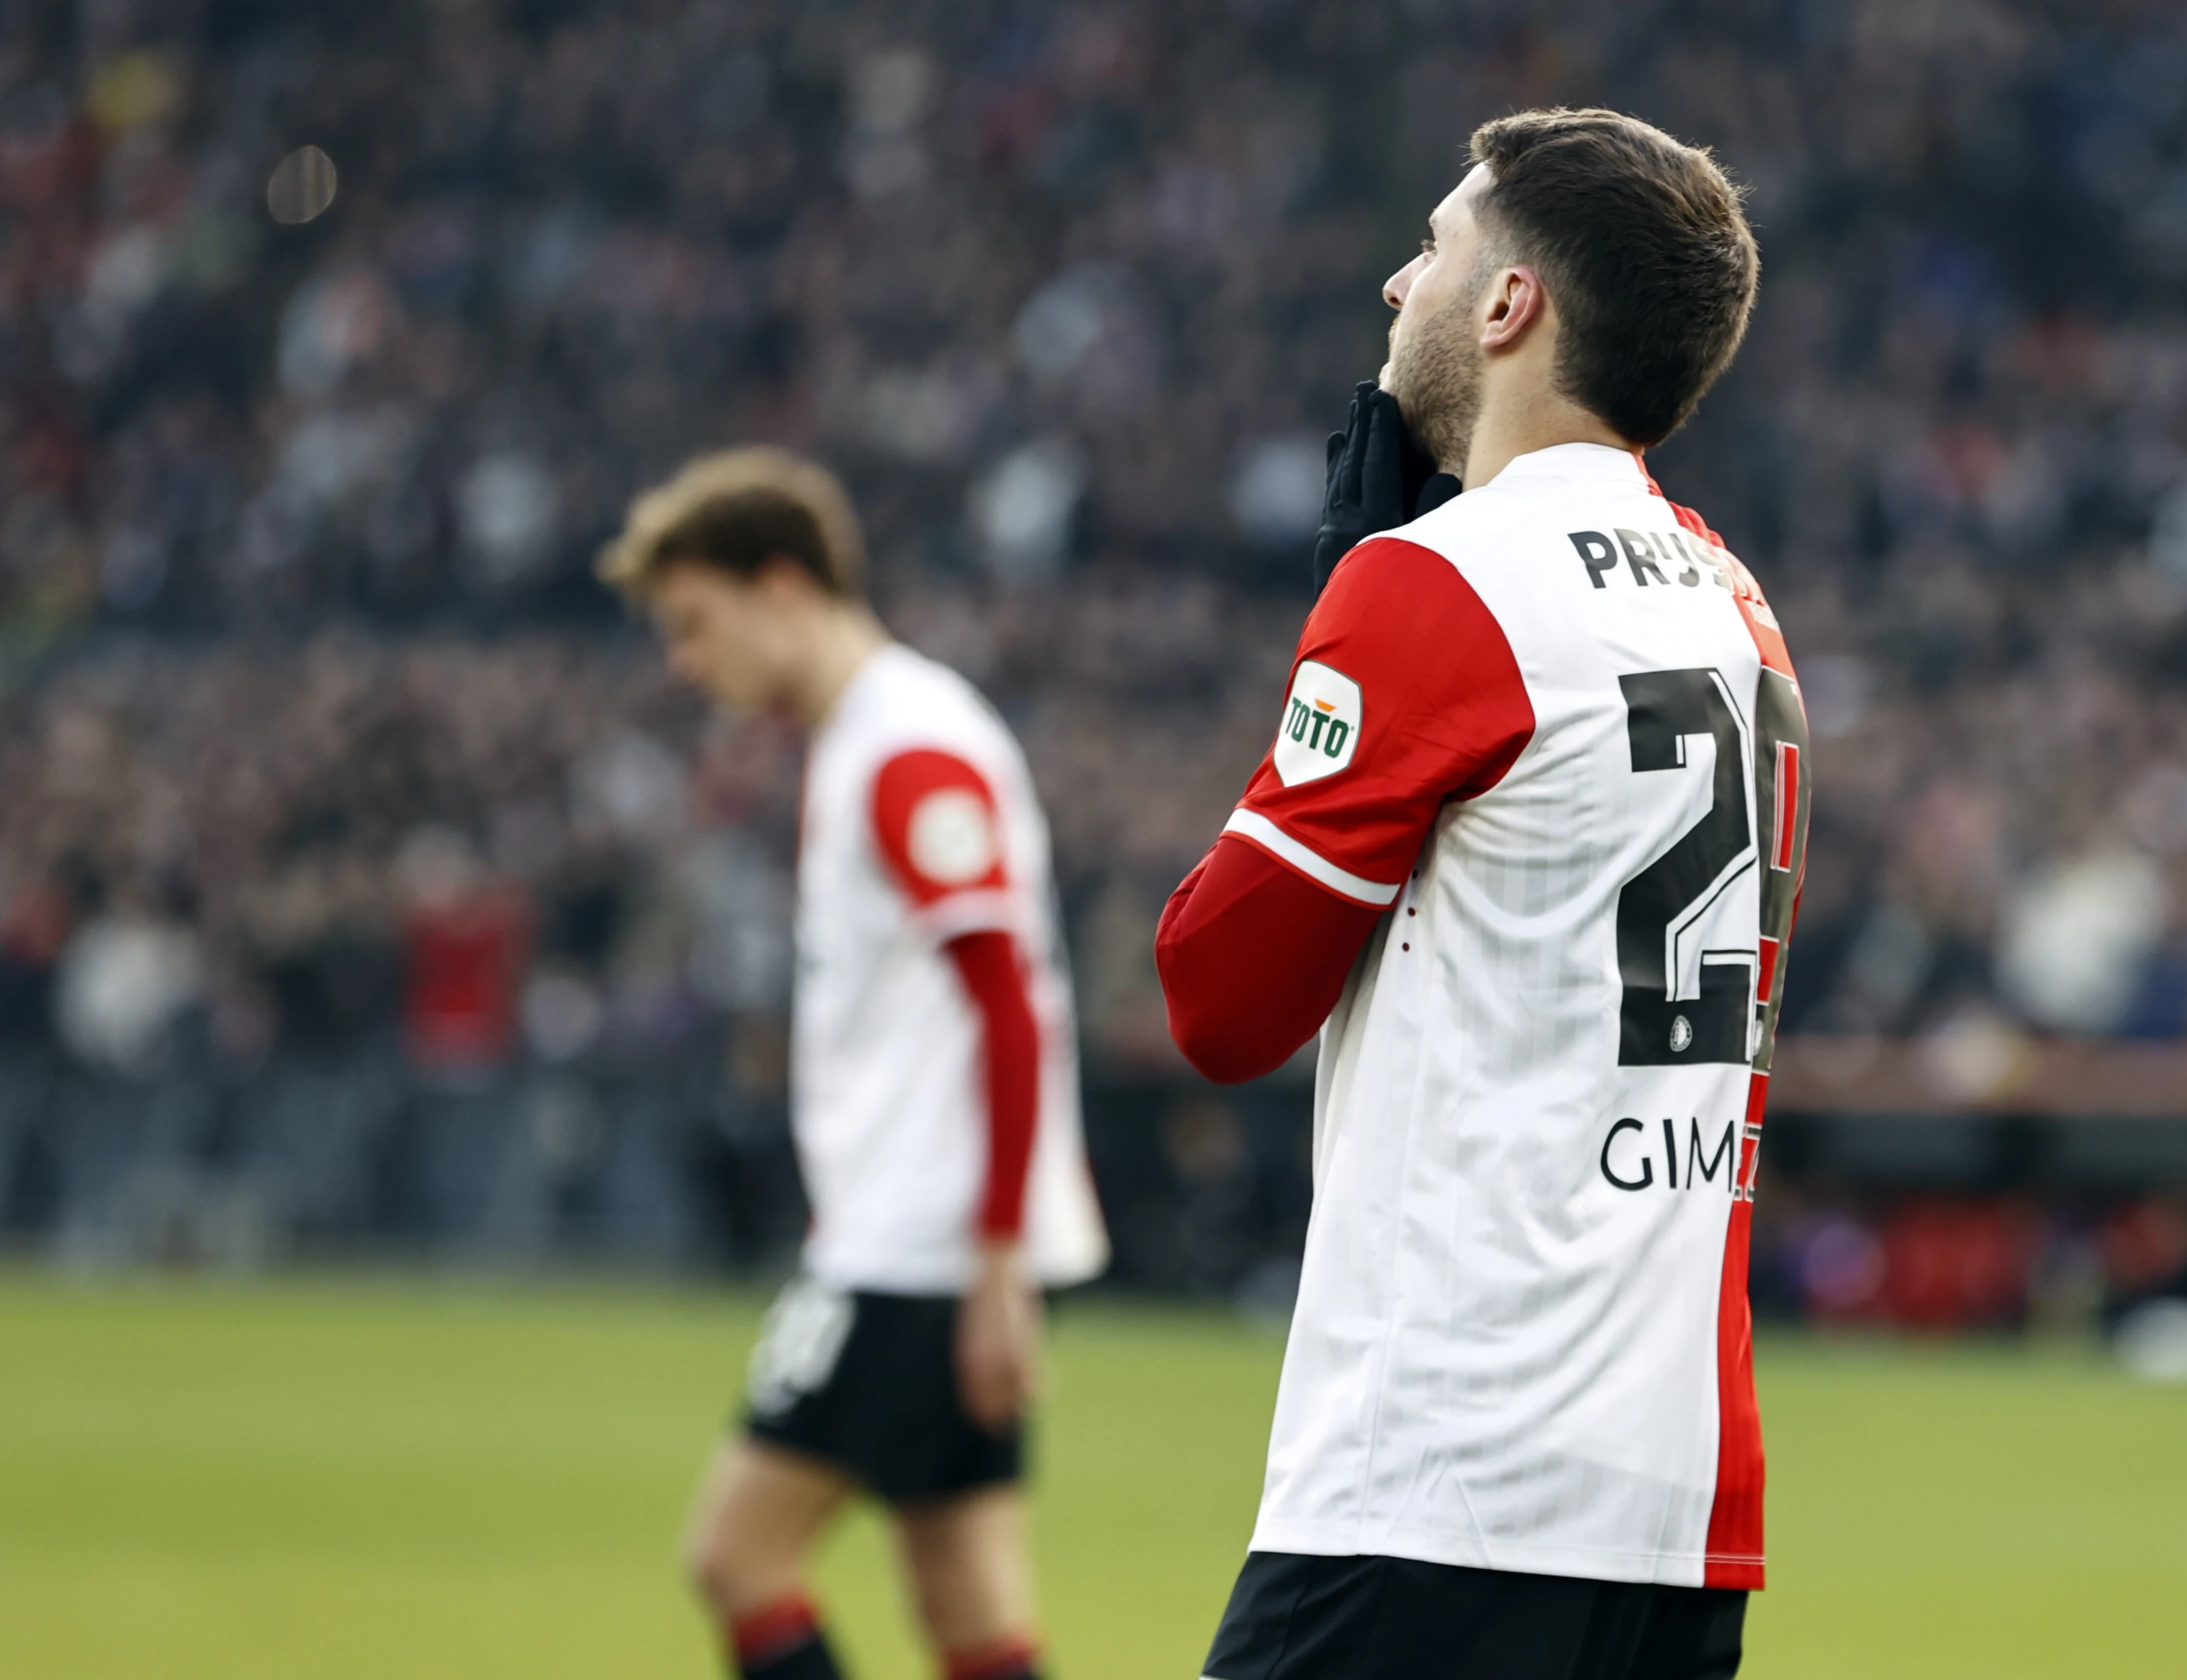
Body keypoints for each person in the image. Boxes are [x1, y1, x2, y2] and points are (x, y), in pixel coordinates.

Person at [1157, 109, 1809, 1680]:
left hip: (1441, 1479)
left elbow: (1219, 999)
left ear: (1511, 305)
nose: (1398, 285)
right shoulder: (1735, 599)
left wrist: (1345, 610)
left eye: (1435, 248)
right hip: (1674, 1492)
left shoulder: (1438, 578)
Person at [599, 447, 1107, 1680]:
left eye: (695, 622)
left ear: (782, 587)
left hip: (912, 1254)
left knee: (736, 1556)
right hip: (939, 1241)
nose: (683, 660)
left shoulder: (905, 750)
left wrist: (993, 1263)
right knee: (969, 1601)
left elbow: (1008, 1004)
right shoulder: (874, 737)